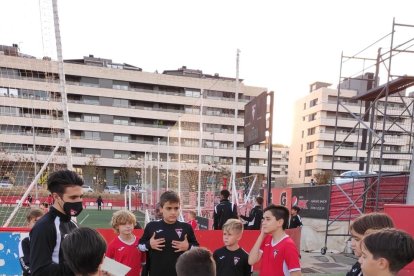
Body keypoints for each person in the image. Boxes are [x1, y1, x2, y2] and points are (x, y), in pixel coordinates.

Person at [29, 169, 84, 276]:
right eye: (73, 197)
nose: (79, 201)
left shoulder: (73, 224)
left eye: (81, 196)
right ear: (56, 197)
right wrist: (82, 267)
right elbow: (39, 271)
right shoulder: (44, 227)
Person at [138, 190, 200, 276]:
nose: (173, 212)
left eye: (176, 208)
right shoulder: (151, 226)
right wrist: (149, 244)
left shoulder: (186, 227)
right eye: (169, 208)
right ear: (161, 209)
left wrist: (188, 246)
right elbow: (140, 246)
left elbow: (197, 248)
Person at [248, 204, 301, 276]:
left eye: (268, 219)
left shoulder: (288, 245)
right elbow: (251, 261)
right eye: (263, 219)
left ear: (280, 222)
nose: (263, 222)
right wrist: (261, 235)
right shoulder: (267, 239)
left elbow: (296, 274)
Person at [106, 210, 145, 276]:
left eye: (130, 223)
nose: (128, 226)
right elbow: (107, 266)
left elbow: (143, 262)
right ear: (117, 226)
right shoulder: (113, 245)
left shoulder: (141, 242)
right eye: (124, 224)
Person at [18, 208, 45, 276]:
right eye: (35, 221)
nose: (39, 223)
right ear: (28, 225)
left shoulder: (51, 239)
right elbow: (25, 266)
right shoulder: (25, 242)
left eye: (41, 221)